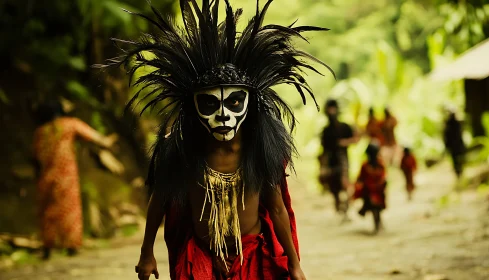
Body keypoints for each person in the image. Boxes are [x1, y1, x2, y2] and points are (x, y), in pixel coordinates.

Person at [96, 0, 333, 279]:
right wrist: (146, 253)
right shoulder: (183, 150)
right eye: (209, 104)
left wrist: (294, 263)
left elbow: (277, 207)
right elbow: (159, 200)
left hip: (252, 256)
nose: (222, 115)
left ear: (249, 105)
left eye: (234, 102)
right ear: (194, 109)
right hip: (202, 258)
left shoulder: (258, 150)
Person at [33, 100, 122, 259]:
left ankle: (48, 247)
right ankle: (72, 246)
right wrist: (107, 141)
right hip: (66, 175)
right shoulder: (69, 124)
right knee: (70, 210)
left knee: (48, 212)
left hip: (45, 176)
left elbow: (35, 156)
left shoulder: (40, 131)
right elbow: (95, 137)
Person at [319, 99, 358, 218]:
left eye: (333, 108)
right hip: (331, 161)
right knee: (334, 186)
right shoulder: (325, 131)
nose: (332, 111)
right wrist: (322, 167)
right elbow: (324, 150)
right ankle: (339, 209)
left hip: (342, 159)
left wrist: (345, 143)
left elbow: (355, 138)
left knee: (345, 183)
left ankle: (346, 207)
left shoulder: (344, 127)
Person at [353, 143, 387, 234]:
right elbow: (360, 178)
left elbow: (383, 177)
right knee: (373, 208)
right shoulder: (366, 165)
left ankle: (378, 225)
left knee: (377, 209)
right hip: (369, 192)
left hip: (377, 191)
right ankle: (377, 225)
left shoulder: (379, 164)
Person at [443, 112, 466, 178]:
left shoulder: (451, 124)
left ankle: (459, 172)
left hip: (455, 146)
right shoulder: (453, 124)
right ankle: (459, 173)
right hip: (456, 146)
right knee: (457, 160)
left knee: (457, 160)